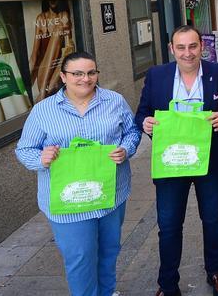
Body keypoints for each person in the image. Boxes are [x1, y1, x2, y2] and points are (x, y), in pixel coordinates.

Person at [16, 51, 141, 296]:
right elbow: (24, 149)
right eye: (77, 74)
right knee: (80, 258)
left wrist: (126, 149)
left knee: (108, 252)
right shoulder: (44, 110)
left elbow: (132, 132)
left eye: (91, 72)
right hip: (68, 202)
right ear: (63, 76)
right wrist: (40, 158)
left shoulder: (114, 101)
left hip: (110, 195)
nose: (86, 79)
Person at [135, 25, 218, 296]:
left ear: (201, 47)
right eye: (180, 47)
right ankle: (167, 283)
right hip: (171, 163)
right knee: (168, 225)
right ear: (172, 49)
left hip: (209, 163)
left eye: (192, 46)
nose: (187, 53)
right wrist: (146, 123)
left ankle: (215, 271)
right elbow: (142, 113)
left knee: (213, 219)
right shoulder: (157, 76)